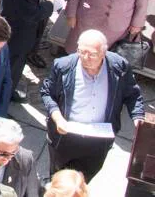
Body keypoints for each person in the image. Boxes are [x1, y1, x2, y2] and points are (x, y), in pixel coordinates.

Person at [42, 28, 144, 181]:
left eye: (92, 54)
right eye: (82, 52)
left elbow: (132, 94)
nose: (85, 57)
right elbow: (47, 93)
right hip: (65, 137)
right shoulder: (63, 66)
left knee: (84, 179)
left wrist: (138, 117)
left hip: (98, 140)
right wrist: (58, 118)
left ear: (104, 52)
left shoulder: (119, 66)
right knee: (59, 179)